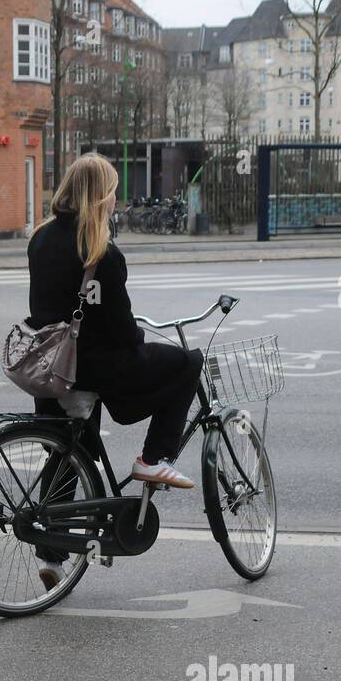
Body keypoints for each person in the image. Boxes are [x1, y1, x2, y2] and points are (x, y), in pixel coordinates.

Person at [26, 152, 204, 587]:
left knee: (69, 454)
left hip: (50, 366)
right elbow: (123, 330)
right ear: (101, 196)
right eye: (113, 192)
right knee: (187, 362)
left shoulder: (40, 238)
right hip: (95, 367)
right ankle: (152, 459)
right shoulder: (101, 251)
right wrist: (137, 337)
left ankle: (51, 557)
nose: (116, 200)